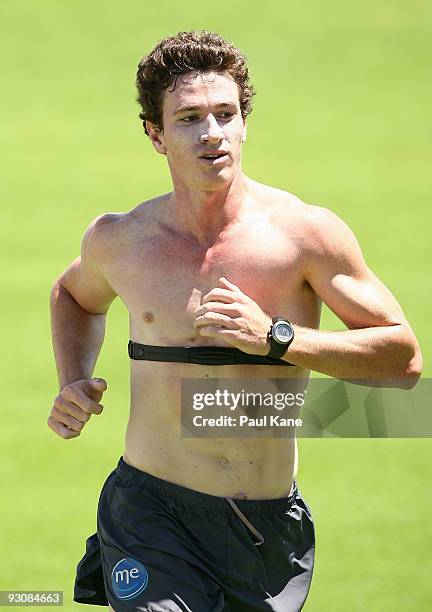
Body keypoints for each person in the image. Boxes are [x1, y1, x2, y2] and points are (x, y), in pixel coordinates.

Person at [48, 30, 422, 612]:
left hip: (265, 525)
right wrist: (73, 377)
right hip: (150, 514)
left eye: (225, 114)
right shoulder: (120, 240)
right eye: (190, 118)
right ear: (155, 134)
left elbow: (403, 360)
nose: (212, 134)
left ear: (245, 122)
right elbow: (72, 297)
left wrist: (278, 338)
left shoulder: (305, 235)